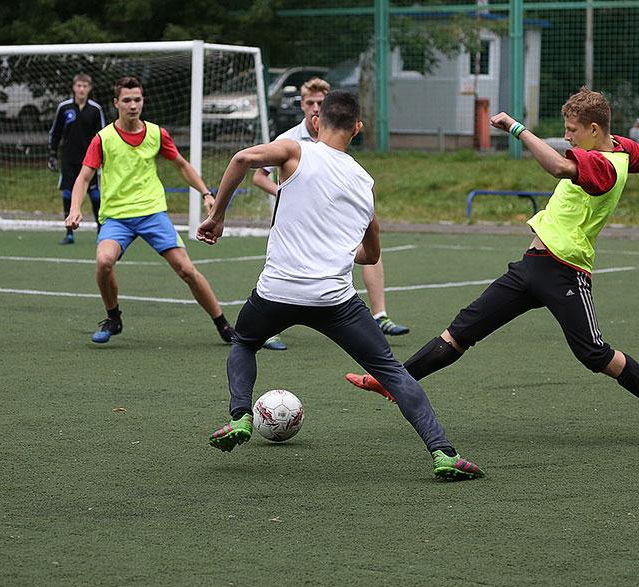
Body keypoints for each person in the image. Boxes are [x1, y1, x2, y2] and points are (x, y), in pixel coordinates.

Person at [346, 88, 639, 444]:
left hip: (566, 271)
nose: (566, 137)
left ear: (594, 129)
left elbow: (557, 166)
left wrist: (517, 129)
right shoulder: (620, 147)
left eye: (571, 130)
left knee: (594, 353)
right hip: (531, 266)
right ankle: (395, 381)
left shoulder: (604, 165)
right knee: (460, 332)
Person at [198, 90, 482, 480]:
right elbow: (370, 254)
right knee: (393, 372)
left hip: (277, 292)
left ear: (317, 121)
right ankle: (443, 452)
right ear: (358, 128)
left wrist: (217, 216)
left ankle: (241, 415)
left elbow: (242, 159)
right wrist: (338, 249)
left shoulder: (294, 151)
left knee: (245, 342)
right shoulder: (365, 182)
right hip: (333, 300)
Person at [66, 76, 235, 345]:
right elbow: (84, 177)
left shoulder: (157, 134)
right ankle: (113, 317)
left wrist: (206, 193)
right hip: (117, 217)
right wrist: (75, 208)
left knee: (186, 269)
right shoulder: (103, 138)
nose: (133, 105)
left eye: (137, 99)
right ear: (116, 103)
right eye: (127, 100)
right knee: (104, 262)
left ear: (143, 101)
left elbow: (182, 166)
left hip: (152, 213)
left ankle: (224, 325)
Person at [253, 77, 410, 351]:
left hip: (333, 215)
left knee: (369, 246)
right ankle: (269, 327)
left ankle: (379, 315)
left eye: (320, 102)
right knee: (285, 258)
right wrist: (289, 192)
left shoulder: (340, 137)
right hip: (297, 219)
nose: (315, 107)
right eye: (310, 102)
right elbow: (258, 175)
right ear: (302, 105)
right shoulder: (289, 140)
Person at [49, 73, 106, 245]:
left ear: (90, 88)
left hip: (90, 160)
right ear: (74, 87)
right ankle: (69, 233)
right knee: (67, 195)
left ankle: (101, 232)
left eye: (85, 86)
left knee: (95, 196)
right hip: (69, 160)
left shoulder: (95, 110)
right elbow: (55, 133)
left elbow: (103, 136)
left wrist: (102, 157)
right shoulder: (64, 108)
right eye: (79, 86)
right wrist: (52, 154)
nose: (81, 89)